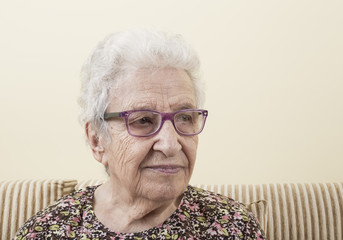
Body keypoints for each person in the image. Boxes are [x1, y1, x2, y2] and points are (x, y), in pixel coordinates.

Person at [14, 30, 266, 239]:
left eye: (185, 118)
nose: (170, 145)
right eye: (143, 120)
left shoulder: (232, 225)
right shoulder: (47, 230)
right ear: (97, 140)